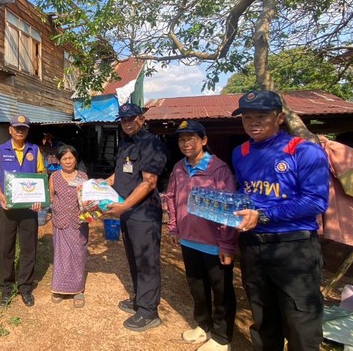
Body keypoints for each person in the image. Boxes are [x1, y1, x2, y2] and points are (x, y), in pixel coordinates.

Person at [232, 90, 329, 351]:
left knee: (301, 322)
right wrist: (231, 210)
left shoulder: (304, 151)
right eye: (247, 117)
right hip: (253, 245)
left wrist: (264, 215)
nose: (253, 122)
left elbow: (316, 201)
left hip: (293, 247)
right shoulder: (240, 152)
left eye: (262, 116)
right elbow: (246, 191)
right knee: (262, 315)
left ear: (280, 118)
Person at [166, 120, 238, 351]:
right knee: (197, 286)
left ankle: (221, 337)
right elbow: (171, 197)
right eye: (181, 139)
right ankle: (203, 326)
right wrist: (174, 227)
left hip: (214, 243)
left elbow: (229, 207)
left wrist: (227, 244)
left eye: (191, 138)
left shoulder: (218, 169)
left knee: (221, 291)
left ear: (204, 140)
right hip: (188, 240)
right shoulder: (179, 167)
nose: (185, 143)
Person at [103, 102, 168, 332]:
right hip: (128, 212)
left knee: (146, 261)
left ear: (141, 118)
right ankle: (140, 300)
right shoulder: (125, 142)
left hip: (144, 213)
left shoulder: (151, 143)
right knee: (134, 258)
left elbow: (149, 182)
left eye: (131, 118)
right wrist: (102, 183)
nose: (127, 123)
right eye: (123, 120)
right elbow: (119, 174)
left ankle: (149, 312)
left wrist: (123, 207)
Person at [0, 114, 45, 307]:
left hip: (29, 209)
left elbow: (41, 175)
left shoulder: (34, 150)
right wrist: (0, 195)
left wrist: (38, 199)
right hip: (7, 208)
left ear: (27, 131)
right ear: (10, 130)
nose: (20, 131)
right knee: (6, 248)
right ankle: (6, 288)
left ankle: (25, 287)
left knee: (29, 248)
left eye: (24, 128)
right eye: (17, 128)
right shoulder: (0, 150)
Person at [49, 145, 89, 308]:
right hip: (60, 221)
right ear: (59, 161)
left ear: (75, 159)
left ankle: (77, 290)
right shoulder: (54, 176)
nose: (68, 161)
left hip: (78, 221)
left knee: (78, 254)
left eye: (70, 158)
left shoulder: (83, 176)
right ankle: (59, 288)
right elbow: (51, 198)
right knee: (61, 254)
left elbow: (88, 199)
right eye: (64, 158)